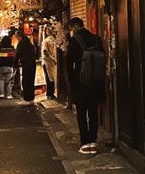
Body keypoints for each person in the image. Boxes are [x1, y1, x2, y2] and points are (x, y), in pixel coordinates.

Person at [66, 17, 105, 154]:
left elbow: (69, 63)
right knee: (93, 112)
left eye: (71, 29)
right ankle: (93, 142)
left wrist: (71, 82)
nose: (71, 31)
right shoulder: (96, 39)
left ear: (75, 27)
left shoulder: (74, 41)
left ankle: (85, 143)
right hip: (96, 82)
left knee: (81, 113)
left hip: (80, 82)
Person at [15, 28, 36, 103]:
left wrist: (15, 63)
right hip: (32, 63)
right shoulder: (28, 41)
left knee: (26, 81)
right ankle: (31, 98)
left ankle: (27, 99)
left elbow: (18, 53)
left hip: (27, 63)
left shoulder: (22, 42)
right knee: (30, 81)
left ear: (18, 36)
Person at [0, 34, 16, 99]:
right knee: (9, 81)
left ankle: (1, 94)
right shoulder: (12, 48)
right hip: (10, 66)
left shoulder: (0, 48)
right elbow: (14, 57)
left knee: (1, 80)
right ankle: (9, 94)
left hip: (1, 66)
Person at [41, 26, 57, 99]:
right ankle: (50, 94)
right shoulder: (53, 40)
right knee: (51, 78)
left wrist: (51, 58)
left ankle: (50, 94)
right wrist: (52, 58)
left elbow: (45, 51)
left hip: (49, 61)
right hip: (49, 62)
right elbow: (45, 51)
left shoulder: (47, 40)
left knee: (50, 78)